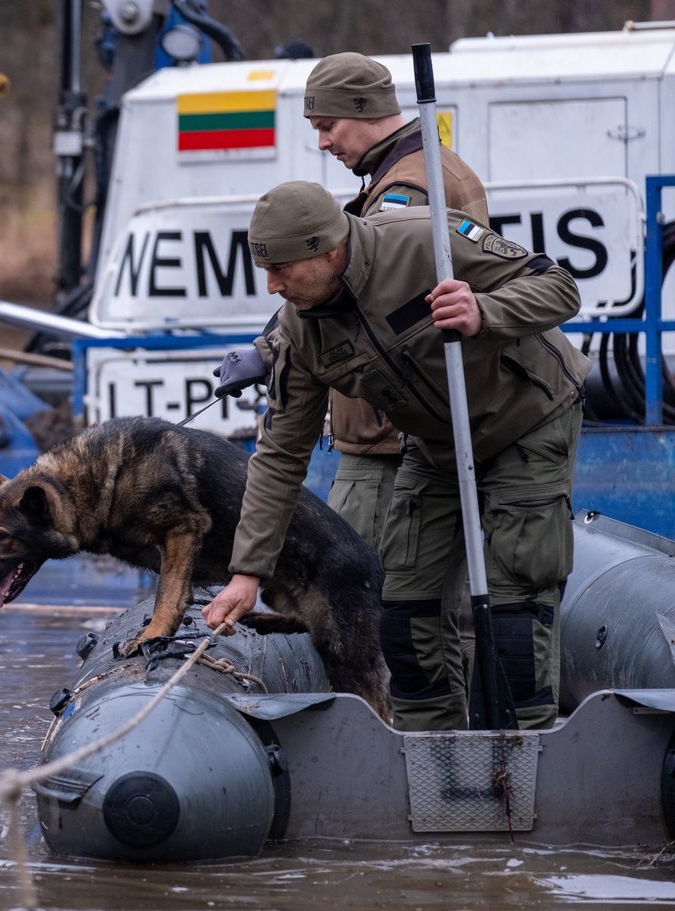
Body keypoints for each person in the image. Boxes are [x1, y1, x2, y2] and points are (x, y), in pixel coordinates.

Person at [203, 181, 588, 732]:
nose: (272, 286)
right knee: (402, 607)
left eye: (281, 269)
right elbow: (280, 456)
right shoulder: (299, 332)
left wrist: (485, 309)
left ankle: (524, 750)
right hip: (434, 443)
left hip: (526, 418)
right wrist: (247, 571)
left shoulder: (426, 240)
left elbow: (558, 288)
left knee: (514, 606)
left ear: (328, 250)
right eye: (265, 270)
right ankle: (432, 745)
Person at [303, 51, 488, 550]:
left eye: (328, 126)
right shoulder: (436, 165)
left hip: (387, 439)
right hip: (414, 423)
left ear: (363, 109)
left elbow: (369, 301)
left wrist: (282, 347)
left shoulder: (405, 189)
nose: (323, 143)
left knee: (361, 579)